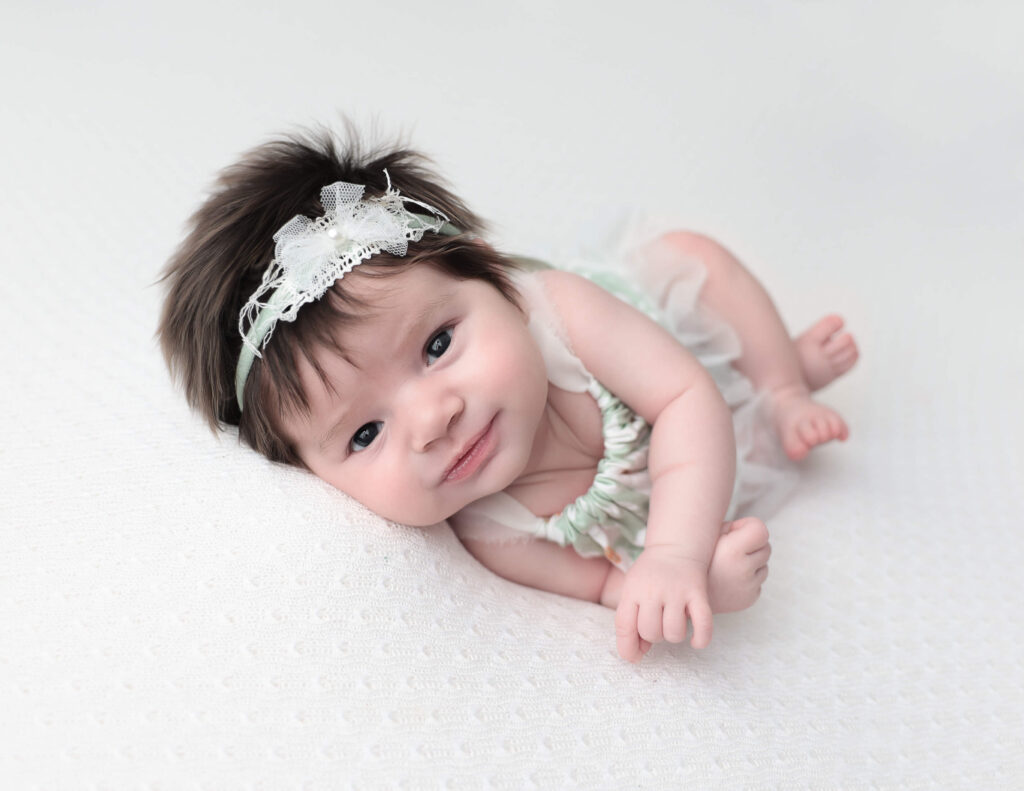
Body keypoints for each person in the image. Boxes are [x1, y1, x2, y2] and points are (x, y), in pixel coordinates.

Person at [159, 125, 858, 663]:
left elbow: (687, 400)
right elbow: (606, 584)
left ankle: (782, 378)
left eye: (437, 346)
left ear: (495, 279)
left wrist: (678, 550)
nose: (433, 421)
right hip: (677, 465)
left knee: (694, 257)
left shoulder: (562, 309)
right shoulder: (490, 529)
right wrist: (690, 582)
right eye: (365, 434)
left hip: (678, 364)